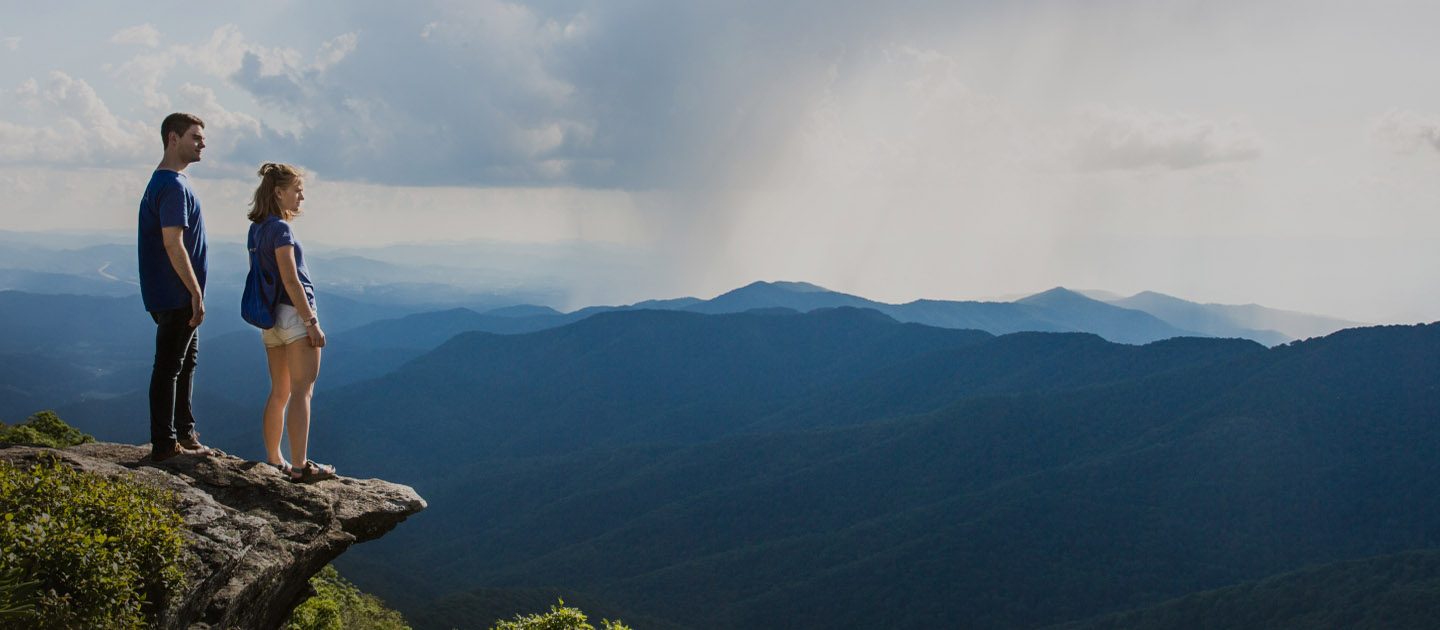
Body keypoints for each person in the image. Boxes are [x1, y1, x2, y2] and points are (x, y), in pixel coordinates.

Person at [247, 163, 336, 483]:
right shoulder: (282, 230)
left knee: (279, 391)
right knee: (302, 392)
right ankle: (300, 467)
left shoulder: (256, 228)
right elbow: (290, 278)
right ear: (278, 192)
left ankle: (274, 459)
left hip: (270, 320)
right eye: (297, 190)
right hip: (294, 316)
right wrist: (311, 321)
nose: (301, 196)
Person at [138, 112, 216, 462]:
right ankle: (165, 444)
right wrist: (195, 291)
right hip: (177, 292)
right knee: (170, 366)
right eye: (196, 137)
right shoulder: (171, 185)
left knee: (185, 364)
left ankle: (184, 433)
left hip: (171, 292)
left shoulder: (166, 182)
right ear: (173, 138)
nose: (202, 143)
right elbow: (173, 242)